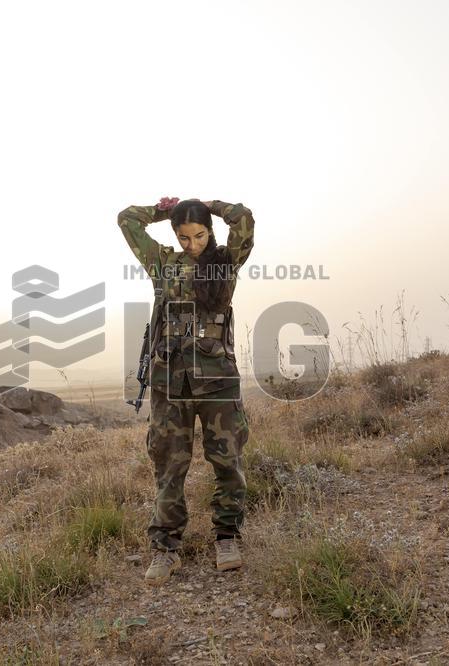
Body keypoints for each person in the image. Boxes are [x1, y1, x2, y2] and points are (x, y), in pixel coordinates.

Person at [117, 196, 255, 585]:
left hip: (218, 380)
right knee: (168, 466)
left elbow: (243, 218)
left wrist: (209, 205)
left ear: (210, 232)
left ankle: (227, 537)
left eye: (198, 235)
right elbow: (127, 220)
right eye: (183, 236)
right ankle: (165, 549)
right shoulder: (162, 262)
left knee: (227, 462)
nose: (191, 244)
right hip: (169, 382)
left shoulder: (226, 260)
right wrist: (164, 211)